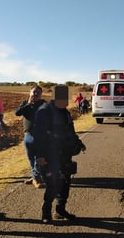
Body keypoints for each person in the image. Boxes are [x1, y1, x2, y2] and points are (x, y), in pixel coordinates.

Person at [34, 85, 86, 224]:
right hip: (49, 155)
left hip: (65, 154)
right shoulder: (44, 112)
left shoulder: (64, 112)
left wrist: (79, 143)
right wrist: (40, 156)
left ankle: (60, 210)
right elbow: (38, 136)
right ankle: (46, 212)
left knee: (65, 183)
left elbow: (70, 131)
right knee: (53, 184)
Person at [15, 85, 46, 188]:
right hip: (27, 135)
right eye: (34, 92)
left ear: (41, 95)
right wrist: (29, 104)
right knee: (30, 158)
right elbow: (17, 113)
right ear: (30, 93)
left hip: (40, 136)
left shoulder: (44, 104)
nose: (35, 94)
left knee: (38, 158)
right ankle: (35, 176)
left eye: (38, 93)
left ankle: (37, 179)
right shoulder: (25, 103)